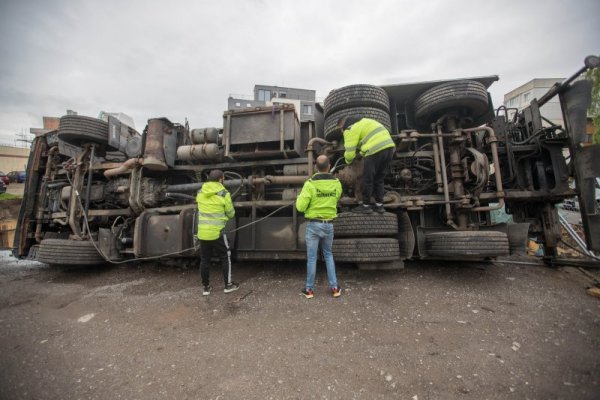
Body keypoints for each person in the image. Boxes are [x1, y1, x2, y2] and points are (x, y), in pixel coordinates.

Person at [296, 155, 343, 299]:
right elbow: (337, 198)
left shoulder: (310, 184)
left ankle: (309, 290)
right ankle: (335, 288)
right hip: (329, 225)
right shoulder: (336, 183)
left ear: (316, 167)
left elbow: (300, 206)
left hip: (314, 225)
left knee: (312, 258)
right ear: (329, 166)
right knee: (328, 255)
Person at [338, 116, 395, 214]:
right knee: (379, 179)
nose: (341, 132)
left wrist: (348, 162)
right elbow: (368, 142)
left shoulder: (350, 129)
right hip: (389, 148)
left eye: (340, 129)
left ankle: (366, 206)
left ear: (343, 125)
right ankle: (379, 206)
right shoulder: (365, 121)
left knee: (367, 179)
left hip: (375, 149)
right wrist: (361, 155)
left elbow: (350, 153)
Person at [196, 169, 239, 296]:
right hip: (217, 232)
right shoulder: (224, 193)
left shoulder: (200, 192)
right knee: (226, 257)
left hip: (203, 232)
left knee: (204, 260)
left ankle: (206, 288)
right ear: (221, 179)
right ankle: (228, 285)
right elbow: (231, 213)